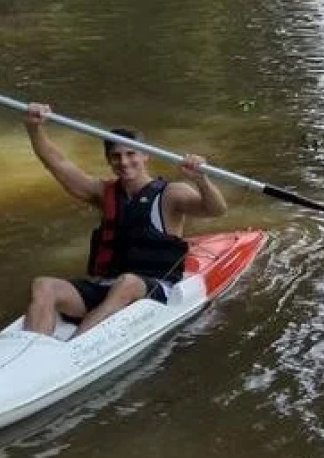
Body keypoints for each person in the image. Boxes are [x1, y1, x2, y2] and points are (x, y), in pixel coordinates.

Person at [21, 104, 228, 336]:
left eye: (131, 154)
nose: (124, 161)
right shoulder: (102, 192)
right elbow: (57, 162)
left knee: (127, 282)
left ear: (145, 155)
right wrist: (34, 128)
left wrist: (202, 180)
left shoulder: (171, 194)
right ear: (109, 160)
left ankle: (75, 345)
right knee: (44, 285)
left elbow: (216, 209)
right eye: (116, 156)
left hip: (156, 288)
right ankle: (32, 344)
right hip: (108, 286)